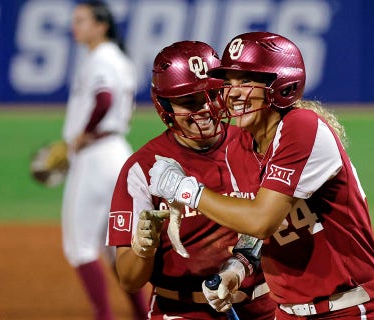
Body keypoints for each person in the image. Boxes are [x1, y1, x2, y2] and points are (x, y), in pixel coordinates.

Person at [148, 31, 374, 319]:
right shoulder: (237, 148)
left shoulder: (301, 128)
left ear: (280, 85)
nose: (233, 92)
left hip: (348, 309)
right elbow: (255, 236)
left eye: (246, 81)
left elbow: (262, 220)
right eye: (228, 82)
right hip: (286, 312)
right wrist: (236, 269)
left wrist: (187, 190)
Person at [106, 40, 275, 319]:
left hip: (262, 307)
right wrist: (142, 249)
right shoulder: (143, 168)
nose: (205, 109)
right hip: (181, 311)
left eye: (212, 95)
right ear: (164, 106)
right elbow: (128, 279)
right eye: (189, 102)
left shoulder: (255, 144)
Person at [63, 1, 147, 319]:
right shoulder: (119, 58)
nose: (76, 26)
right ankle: (142, 313)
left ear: (102, 25)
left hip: (96, 155)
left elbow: (104, 98)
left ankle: (103, 316)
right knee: (114, 245)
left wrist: (84, 133)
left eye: (82, 20)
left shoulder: (99, 58)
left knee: (80, 246)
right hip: (118, 155)